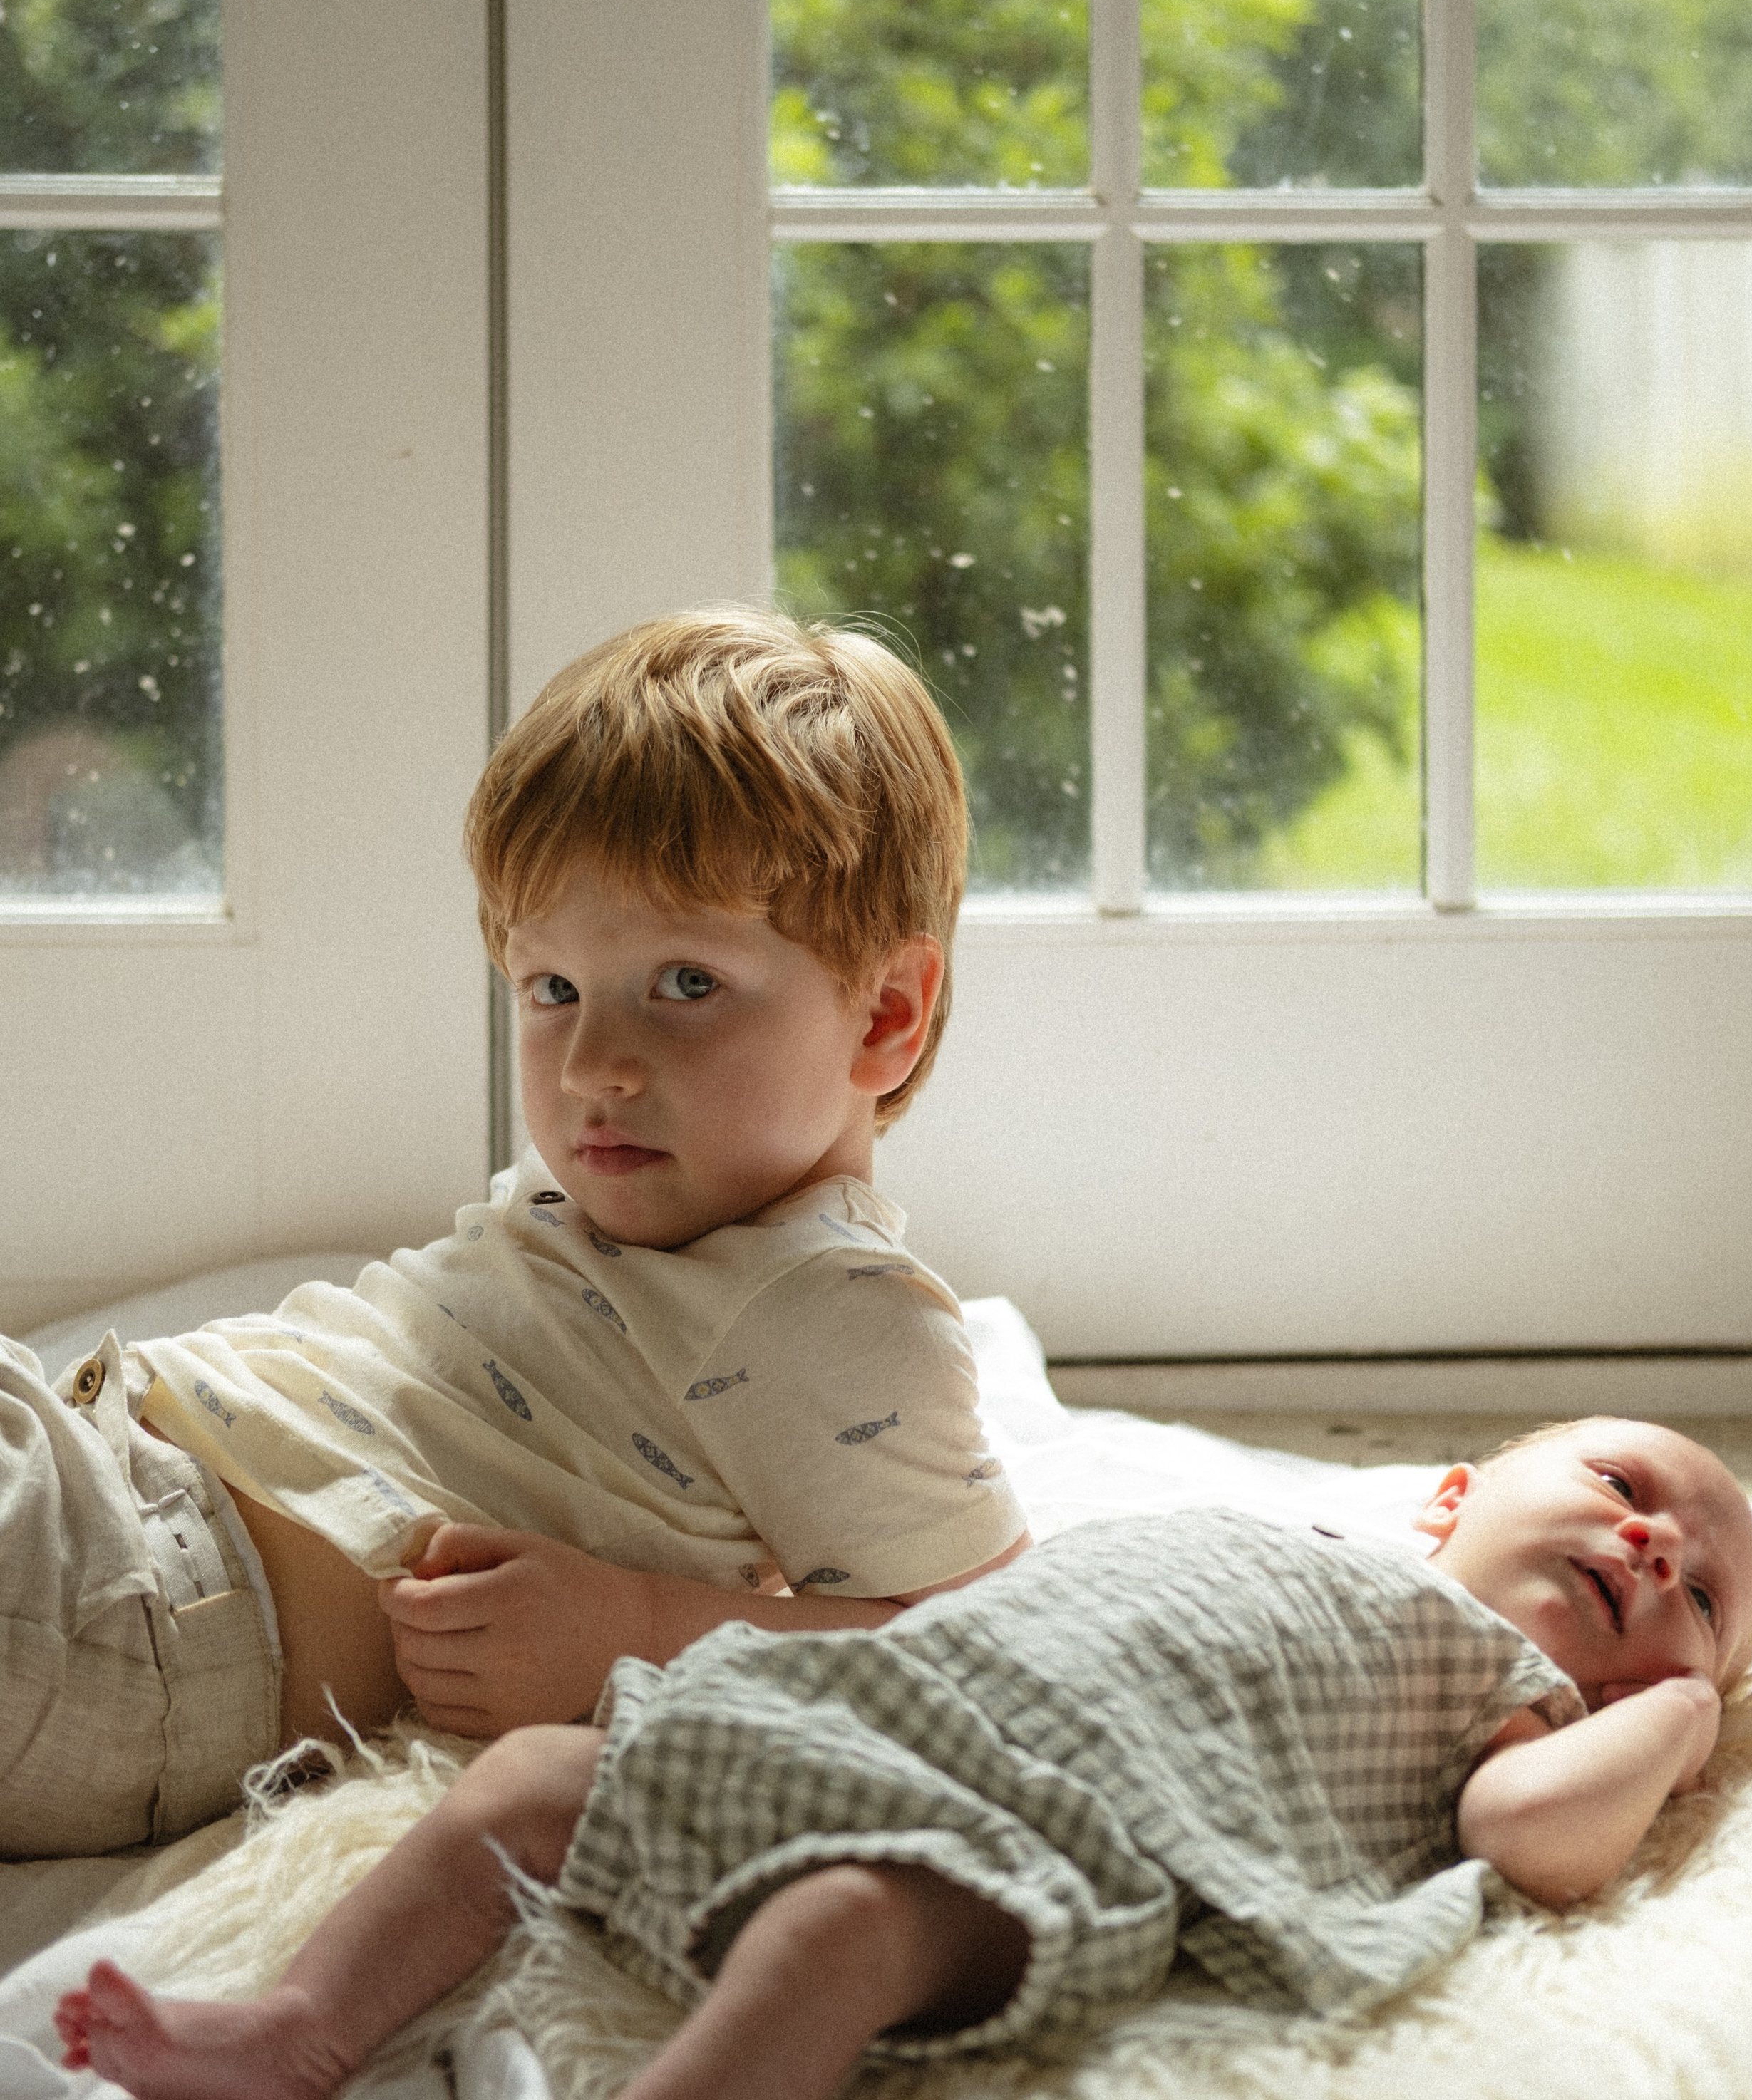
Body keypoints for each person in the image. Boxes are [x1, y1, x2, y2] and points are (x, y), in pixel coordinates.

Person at [57, 1414, 1752, 2100]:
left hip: (1051, 1834)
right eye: (1624, 1483)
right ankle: (300, 2028)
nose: (1650, 1540)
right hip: (872, 1705)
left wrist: (1674, 1718)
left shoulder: (1522, 1712)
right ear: (1453, 1493)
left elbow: (1529, 1848)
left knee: (840, 1922)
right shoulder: (1293, 1536)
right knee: (522, 1780)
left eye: (1698, 1593)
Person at [1, 610, 1028, 1858]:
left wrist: (639, 1627)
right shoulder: (620, 1205)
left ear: (885, 1015)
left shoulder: (838, 1309)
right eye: (555, 992)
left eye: (686, 985)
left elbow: (981, 1659)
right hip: (98, 1479)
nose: (595, 1064)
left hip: (153, 1617)